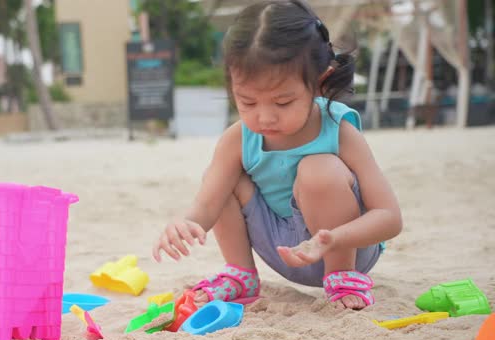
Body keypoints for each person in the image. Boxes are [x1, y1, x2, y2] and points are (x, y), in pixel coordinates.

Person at [152, 0, 402, 310]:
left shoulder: (339, 130)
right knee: (222, 176)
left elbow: (390, 218)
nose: (264, 118)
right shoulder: (238, 138)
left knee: (318, 170)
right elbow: (207, 204)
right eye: (247, 102)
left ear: (319, 82)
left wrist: (335, 238)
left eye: (283, 102)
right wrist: (185, 223)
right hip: (282, 249)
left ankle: (341, 277)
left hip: (346, 247)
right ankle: (241, 275)